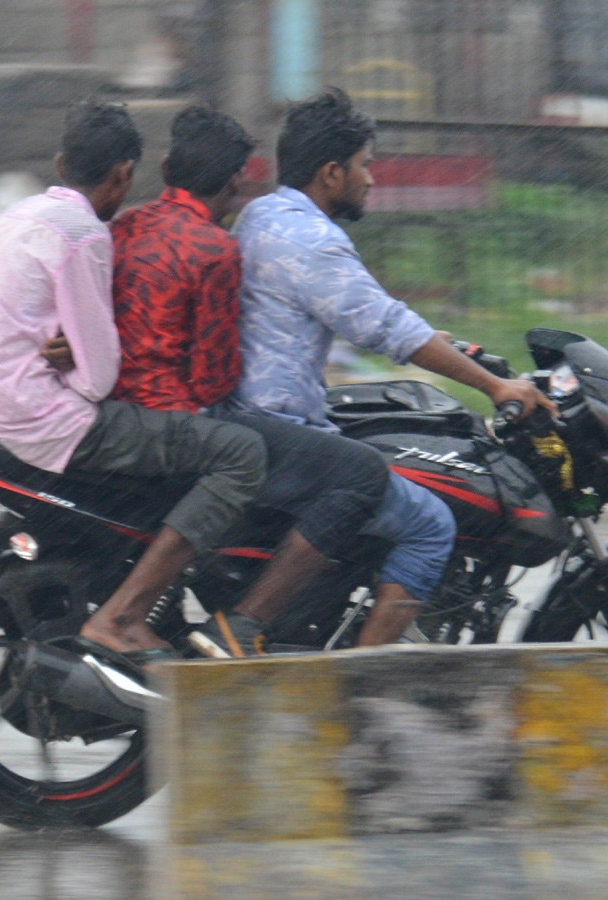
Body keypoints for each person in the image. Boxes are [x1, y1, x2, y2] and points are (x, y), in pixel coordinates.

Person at [57, 104, 391, 658]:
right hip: (172, 419)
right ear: (237, 181)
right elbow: (213, 377)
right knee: (339, 469)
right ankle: (240, 623)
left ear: (166, 168)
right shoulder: (214, 251)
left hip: (112, 404)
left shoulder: (128, 224)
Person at [226, 87, 558, 644]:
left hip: (249, 416)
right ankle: (364, 685)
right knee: (430, 524)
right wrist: (497, 385)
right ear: (331, 173)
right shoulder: (314, 240)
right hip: (279, 428)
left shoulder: (262, 215)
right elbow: (386, 326)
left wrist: (433, 341)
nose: (371, 179)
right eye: (364, 166)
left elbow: (346, 314)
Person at [0, 97, 269, 665]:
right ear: (123, 175)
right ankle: (123, 616)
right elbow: (98, 378)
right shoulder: (85, 234)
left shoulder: (17, 216)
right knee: (241, 453)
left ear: (60, 163)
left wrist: (68, 346)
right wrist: (81, 353)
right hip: (45, 422)